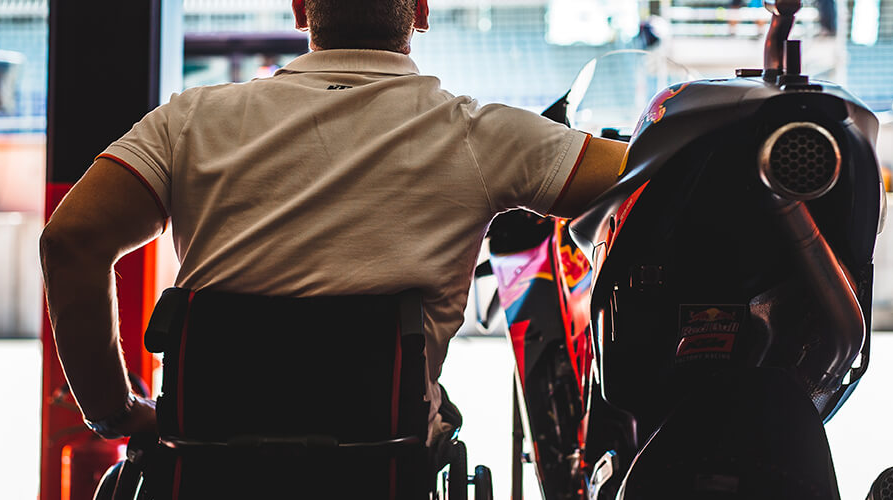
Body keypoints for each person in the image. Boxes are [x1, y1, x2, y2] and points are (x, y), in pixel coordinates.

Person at [40, 0, 626, 456]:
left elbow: (70, 243)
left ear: (300, 10)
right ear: (419, 12)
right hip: (384, 467)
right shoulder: (482, 136)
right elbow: (648, 174)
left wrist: (114, 414)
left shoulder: (188, 122)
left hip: (208, 464)